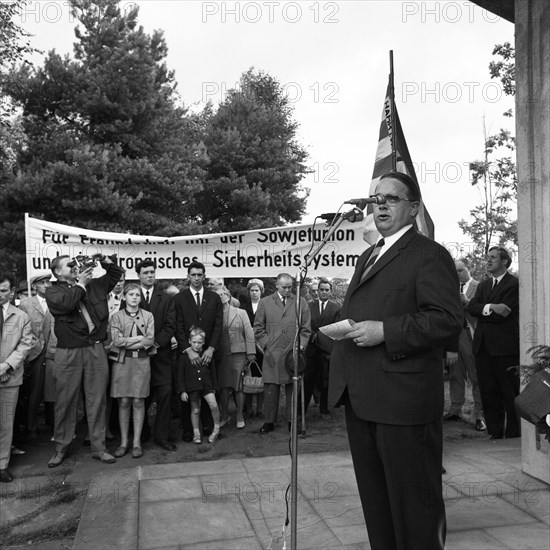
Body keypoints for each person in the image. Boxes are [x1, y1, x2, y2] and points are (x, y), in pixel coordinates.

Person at [328, 172, 463, 550]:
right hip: (363, 397)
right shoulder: (369, 255)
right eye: (375, 199)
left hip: (404, 402)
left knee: (415, 510)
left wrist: (386, 330)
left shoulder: (429, 254)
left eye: (391, 198)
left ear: (414, 208)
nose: (380, 205)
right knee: (378, 505)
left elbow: (447, 320)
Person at [46, 255, 124, 467]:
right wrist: (80, 283)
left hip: (95, 348)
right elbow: (68, 303)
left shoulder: (95, 285)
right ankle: (61, 448)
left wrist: (105, 260)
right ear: (58, 272)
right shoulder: (53, 291)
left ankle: (99, 448)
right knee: (65, 401)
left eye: (75, 264)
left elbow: (116, 274)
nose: (75, 267)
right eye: (69, 265)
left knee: (97, 399)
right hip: (68, 351)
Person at [467, 246, 520, 440]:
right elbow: (471, 307)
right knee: (488, 392)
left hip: (505, 348)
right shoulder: (483, 285)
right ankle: (495, 432)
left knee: (509, 392)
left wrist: (485, 310)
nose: (488, 261)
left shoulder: (514, 284)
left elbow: (504, 315)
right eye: (487, 257)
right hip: (483, 348)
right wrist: (491, 307)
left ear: (505, 261)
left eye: (493, 258)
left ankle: (514, 433)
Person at [254, 273, 311, 433]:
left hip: (293, 353)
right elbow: (258, 327)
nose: (287, 290)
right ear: (276, 285)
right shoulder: (264, 302)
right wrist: (267, 346)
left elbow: (306, 328)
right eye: (284, 287)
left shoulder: (301, 302)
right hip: (272, 354)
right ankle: (269, 421)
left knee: (293, 389)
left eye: (290, 287)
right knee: (271, 388)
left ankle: (292, 422)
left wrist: (301, 346)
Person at [174, 262, 223, 442]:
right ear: (188, 276)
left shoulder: (214, 298)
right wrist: (188, 350)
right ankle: (190, 430)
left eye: (199, 275)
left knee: (209, 390)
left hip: (208, 353)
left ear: (204, 276)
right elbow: (177, 326)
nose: (196, 278)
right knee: (190, 392)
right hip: (188, 353)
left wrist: (211, 348)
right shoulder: (180, 299)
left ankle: (210, 426)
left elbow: (218, 326)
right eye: (193, 275)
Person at [135, 259, 177, 451]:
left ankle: (162, 436)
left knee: (165, 394)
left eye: (152, 272)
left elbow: (170, 326)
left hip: (161, 356)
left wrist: (156, 344)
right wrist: (141, 345)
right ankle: (141, 434)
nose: (150, 275)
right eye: (145, 273)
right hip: (138, 356)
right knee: (141, 396)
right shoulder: (131, 296)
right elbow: (124, 323)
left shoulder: (166, 298)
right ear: (139, 275)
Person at [110, 284, 155, 459]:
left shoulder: (148, 315)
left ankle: (136, 443)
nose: (135, 297)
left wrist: (131, 340)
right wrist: (137, 339)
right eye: (131, 294)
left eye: (137, 294)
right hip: (122, 362)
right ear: (124, 297)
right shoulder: (117, 317)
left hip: (142, 361)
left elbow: (149, 341)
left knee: (138, 400)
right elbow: (116, 341)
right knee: (123, 401)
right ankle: (123, 442)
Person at [443, 259, 486, 431]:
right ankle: (455, 410)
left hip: (472, 334)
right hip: (453, 335)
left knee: (476, 376)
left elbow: (482, 313)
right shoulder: (449, 289)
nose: (458, 274)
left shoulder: (480, 287)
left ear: (468, 269)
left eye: (461, 270)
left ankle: (479, 415)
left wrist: (467, 301)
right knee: (455, 373)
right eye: (456, 272)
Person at [0, 273, 34, 482]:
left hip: (9, 378)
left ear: (12, 292)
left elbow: (25, 344)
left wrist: (6, 365)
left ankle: (2, 464)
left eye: (3, 291)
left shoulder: (22, 316)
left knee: (5, 422)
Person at [18, 272, 54, 440]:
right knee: (35, 390)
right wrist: (34, 346)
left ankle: (54, 424)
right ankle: (31, 427)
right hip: (35, 351)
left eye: (49, 282)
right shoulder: (25, 304)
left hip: (55, 350)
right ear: (34, 287)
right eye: (43, 283)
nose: (47, 285)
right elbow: (22, 328)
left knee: (54, 388)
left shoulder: (56, 300)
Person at [216, 286, 256, 429]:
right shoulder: (214, 314)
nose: (221, 296)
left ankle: (240, 415)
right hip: (220, 355)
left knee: (239, 386)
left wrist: (251, 352)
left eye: (224, 293)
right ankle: (225, 415)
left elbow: (249, 332)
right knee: (223, 387)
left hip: (239, 354)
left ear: (229, 295)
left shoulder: (241, 312)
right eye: (218, 294)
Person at [303, 279, 341, 417]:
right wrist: (312, 335)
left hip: (327, 350)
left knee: (326, 380)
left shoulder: (337, 308)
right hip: (311, 351)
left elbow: (336, 329)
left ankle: (324, 409)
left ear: (330, 292)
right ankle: (302, 411)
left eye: (327, 290)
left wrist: (318, 336)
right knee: (307, 381)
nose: (324, 292)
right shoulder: (308, 306)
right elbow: (304, 324)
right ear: (317, 291)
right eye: (322, 289)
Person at [178, 327, 221, 444]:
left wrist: (215, 387)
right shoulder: (184, 357)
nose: (197, 345)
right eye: (194, 342)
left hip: (207, 386)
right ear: (189, 341)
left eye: (199, 342)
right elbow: (180, 375)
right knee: (195, 409)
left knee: (213, 405)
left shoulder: (207, 355)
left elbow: (213, 372)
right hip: (192, 387)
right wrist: (182, 391)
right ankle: (196, 433)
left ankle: (216, 429)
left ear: (204, 342)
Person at [241, 279, 265, 417]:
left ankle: (261, 408)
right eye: (252, 290)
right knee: (248, 377)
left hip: (262, 347)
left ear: (261, 291)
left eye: (257, 290)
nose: (254, 293)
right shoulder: (243, 307)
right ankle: (248, 408)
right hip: (247, 347)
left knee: (262, 376)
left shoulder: (266, 305)